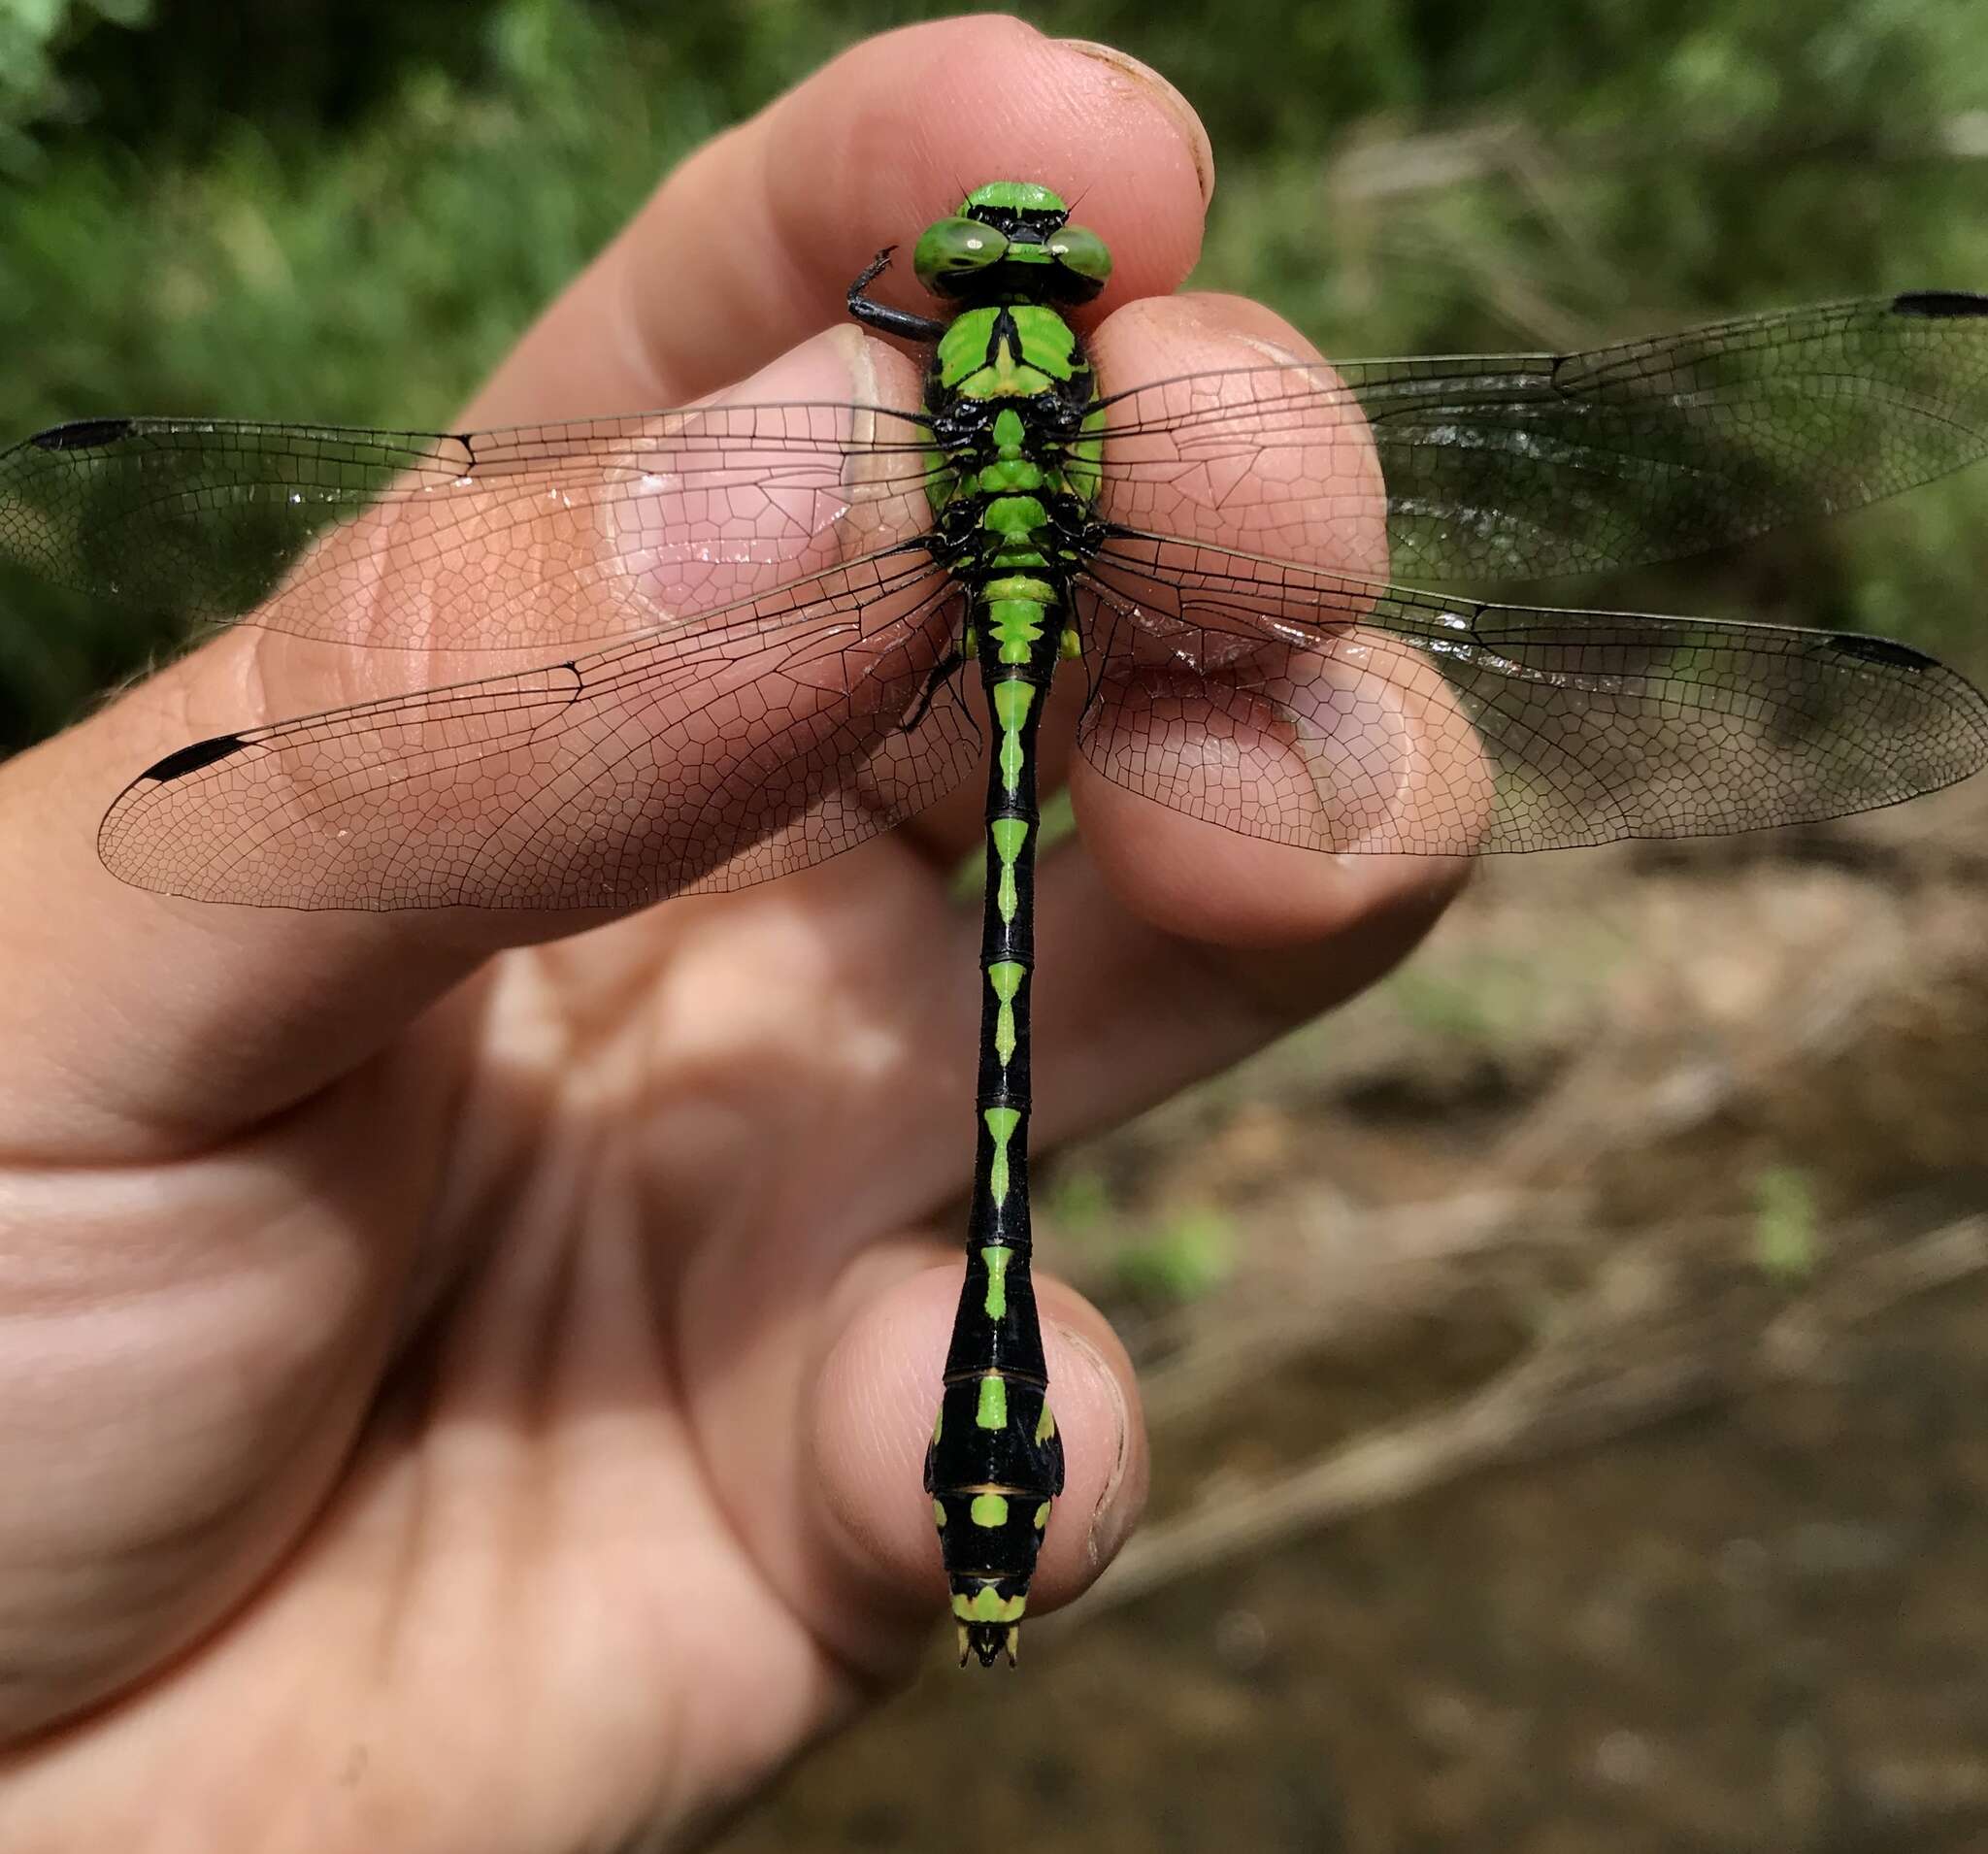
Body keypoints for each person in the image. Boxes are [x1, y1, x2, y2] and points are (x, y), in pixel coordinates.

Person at [0, 18, 1460, 1848]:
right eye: (999, 265)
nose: (1015, 259)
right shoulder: (1074, 396)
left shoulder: (911, 359)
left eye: (1028, 267)